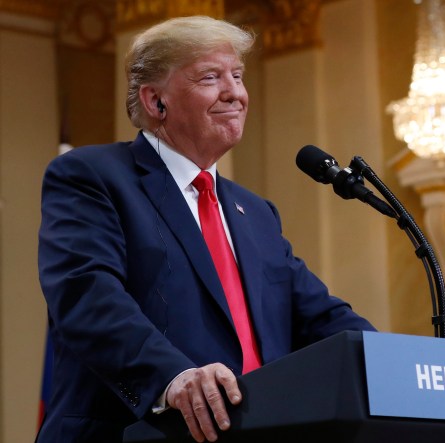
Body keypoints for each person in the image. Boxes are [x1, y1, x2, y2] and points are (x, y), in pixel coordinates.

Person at [36, 16, 375, 443]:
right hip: (134, 432)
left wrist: (399, 365)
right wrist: (171, 376)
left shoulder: (255, 212)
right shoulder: (91, 176)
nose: (234, 92)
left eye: (237, 75)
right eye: (210, 77)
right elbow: (86, 294)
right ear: (156, 100)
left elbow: (319, 315)